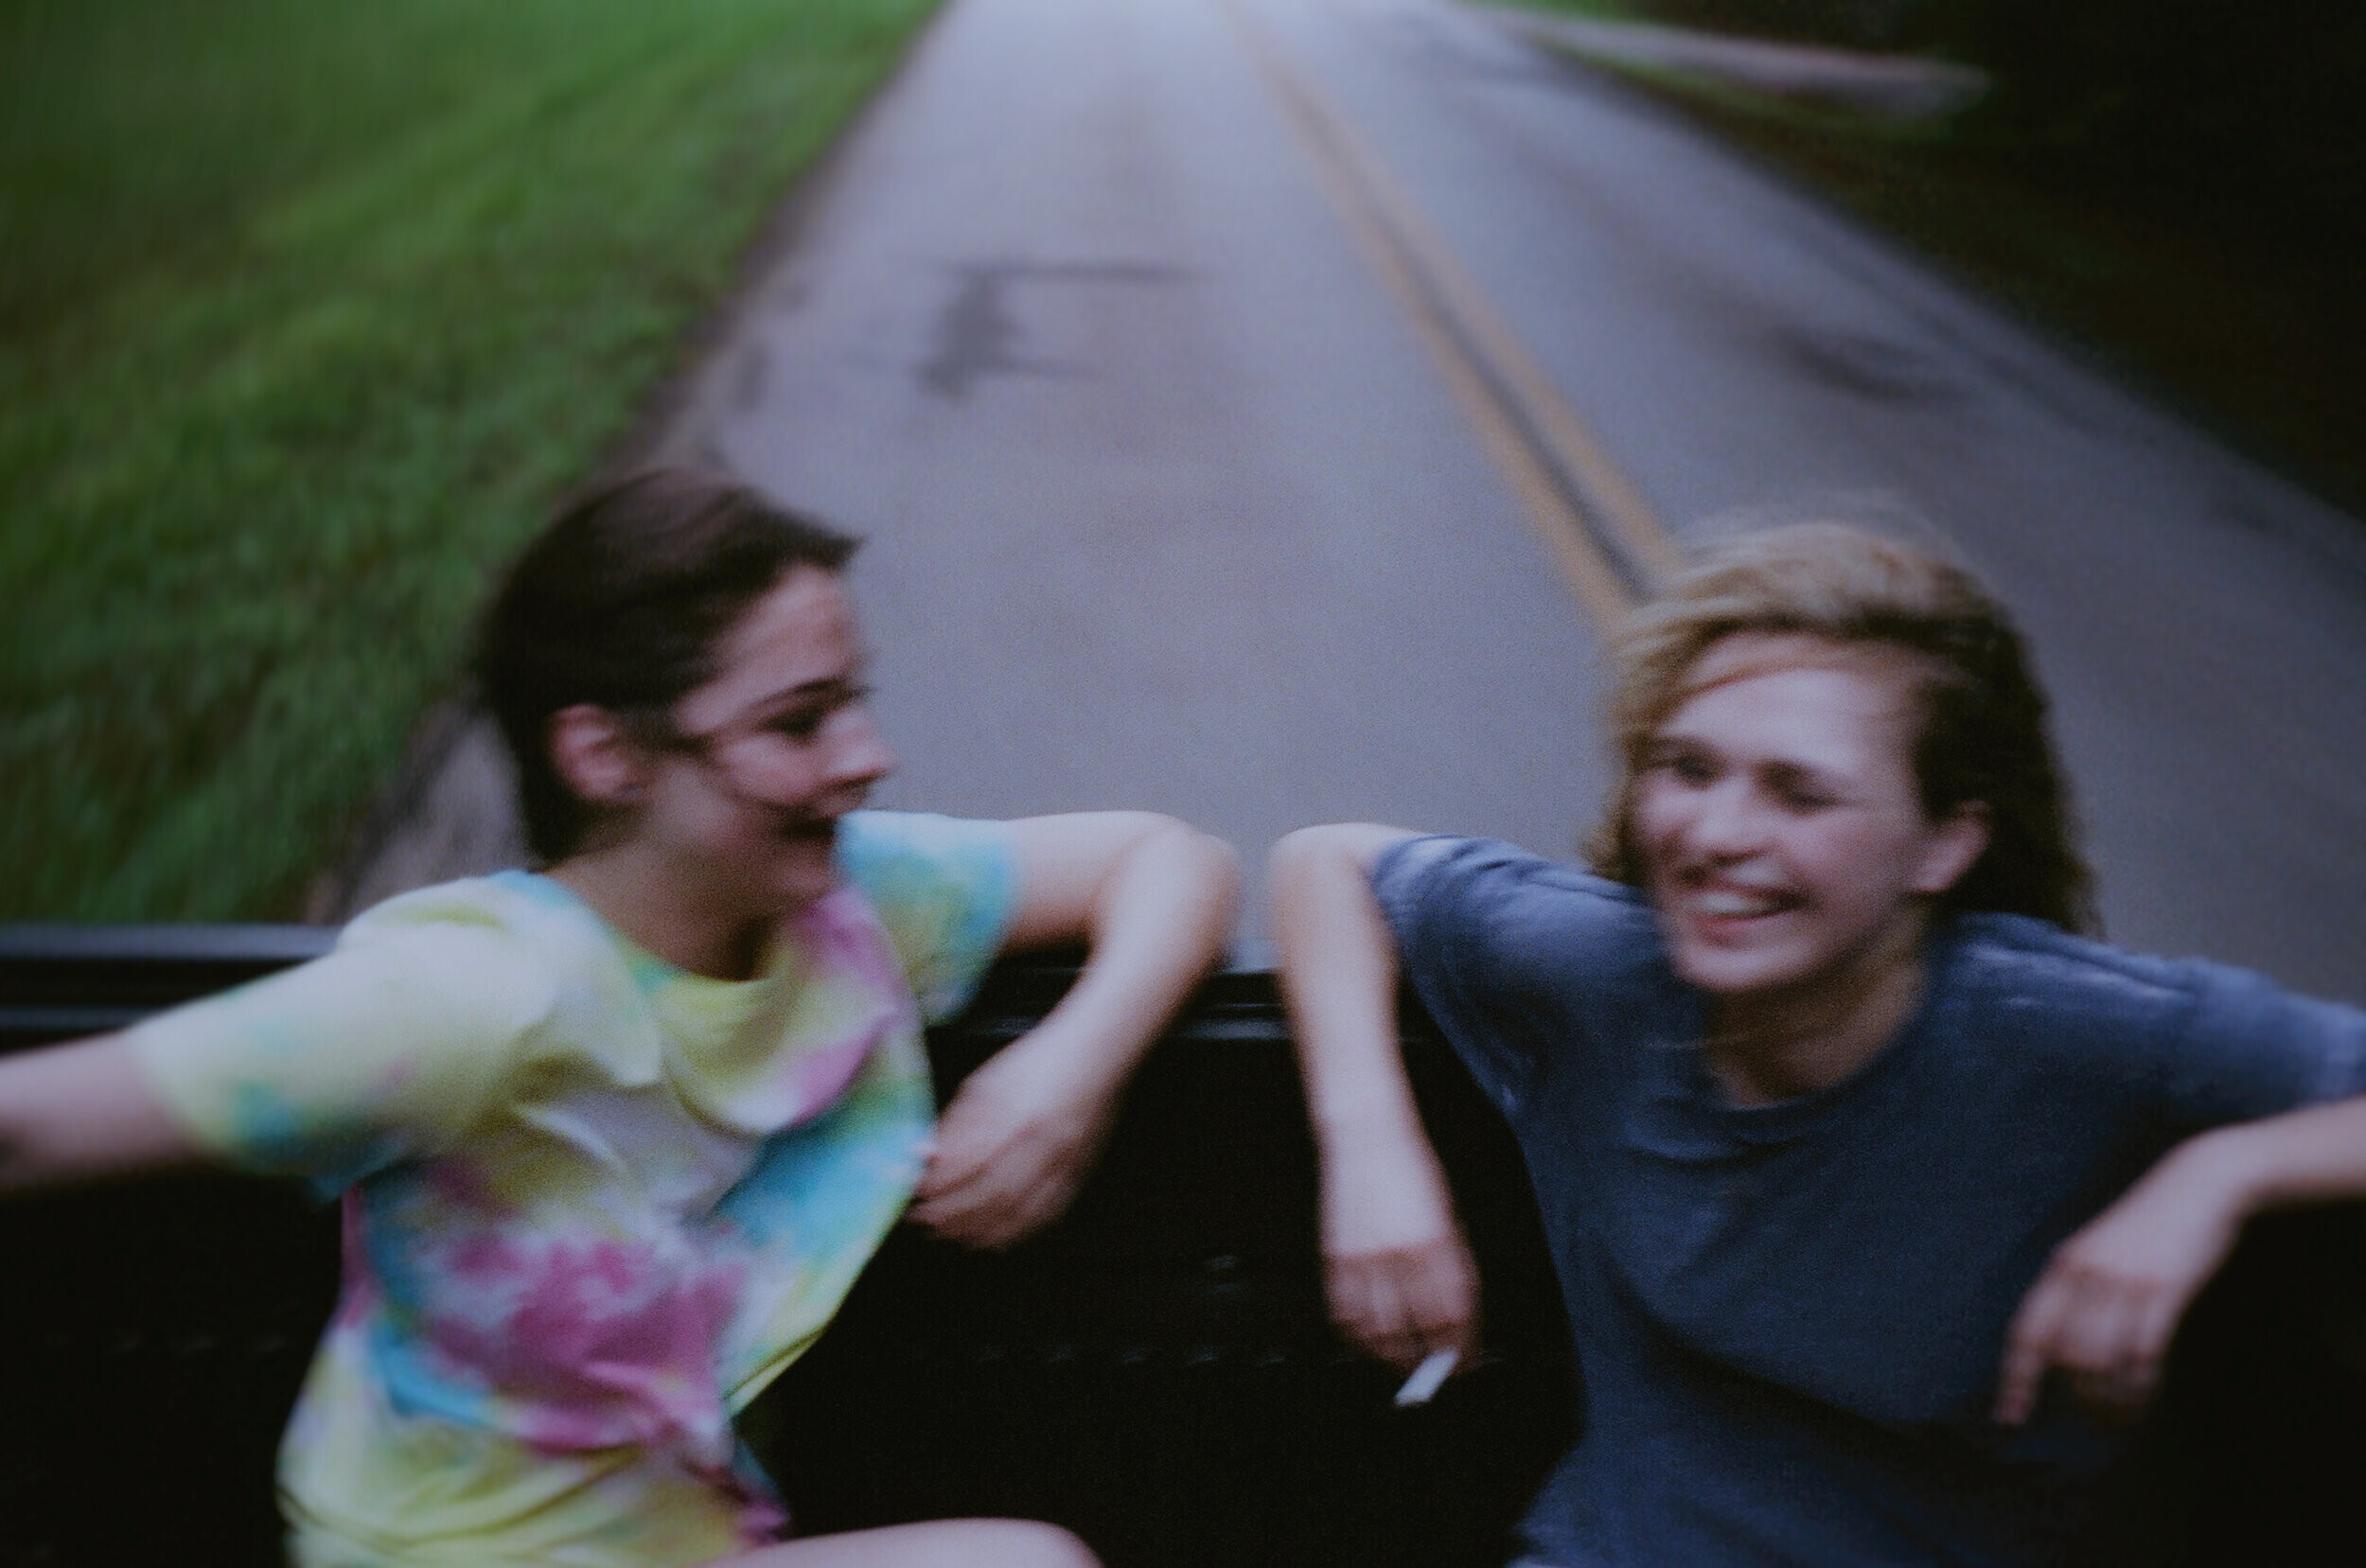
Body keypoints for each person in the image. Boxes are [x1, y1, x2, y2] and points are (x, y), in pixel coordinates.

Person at [0, 470, 1240, 1568]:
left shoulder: (844, 905)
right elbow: (30, 1123)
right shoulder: (471, 996)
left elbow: (1169, 858)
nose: (869, 754)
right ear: (603, 755)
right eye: (798, 721)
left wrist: (1069, 1072)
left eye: (854, 701)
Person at [1270, 524, 2366, 1565]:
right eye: (1687, 768)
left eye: (1800, 793)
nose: (1715, 835)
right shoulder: (1610, 971)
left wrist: (2220, 1173)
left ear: (1943, 844)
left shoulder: (2064, 1027)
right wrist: (1369, 1147)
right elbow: (1329, 862)